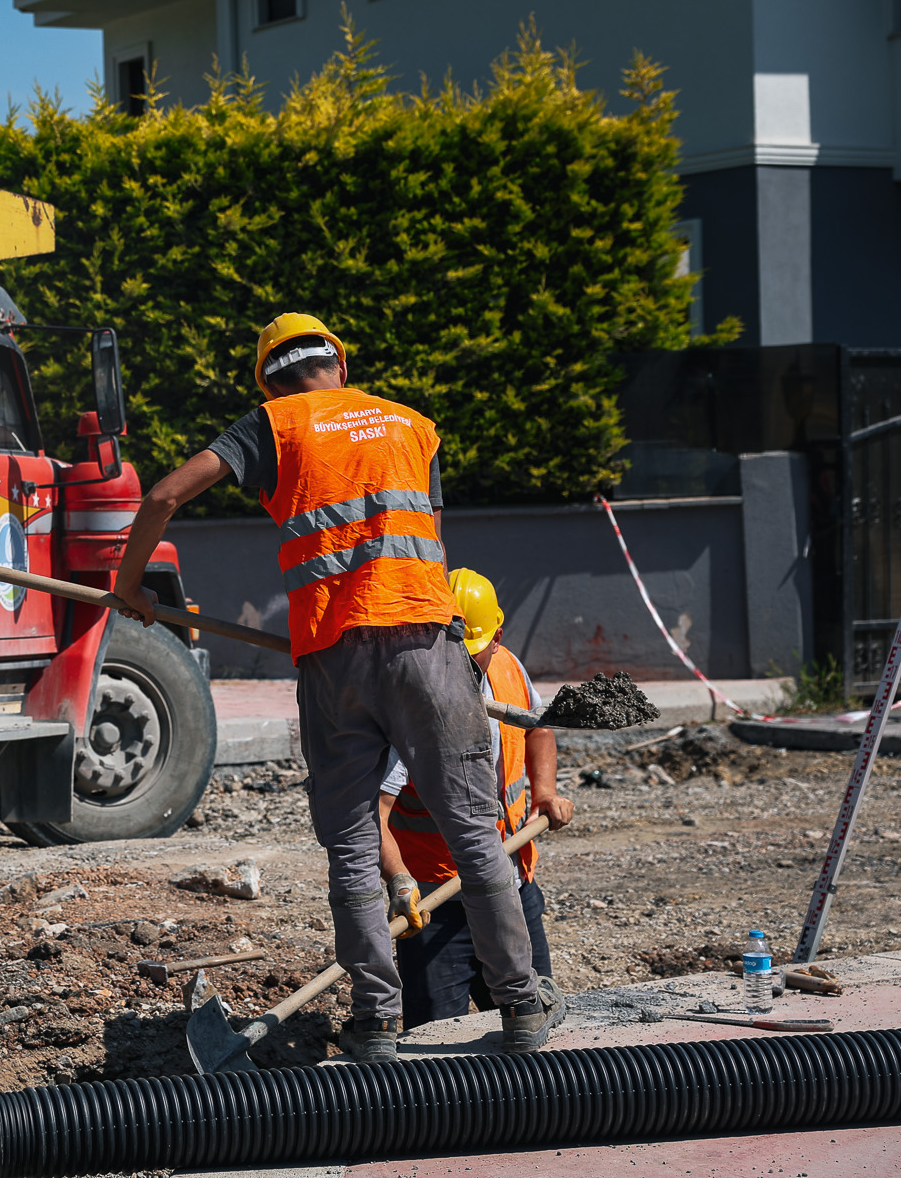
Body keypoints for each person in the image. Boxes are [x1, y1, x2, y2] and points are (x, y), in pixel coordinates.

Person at [112, 312, 565, 1061]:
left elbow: (162, 496)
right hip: (427, 641)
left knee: (353, 846)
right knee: (474, 829)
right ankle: (521, 1003)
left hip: (334, 657)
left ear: (269, 379)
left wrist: (132, 587)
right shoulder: (414, 427)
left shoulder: (276, 425)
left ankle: (377, 1021)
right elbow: (431, 543)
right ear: (339, 364)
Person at [377, 568, 574, 1029]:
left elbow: (538, 727)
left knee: (535, 1023)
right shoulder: (412, 707)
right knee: (435, 1042)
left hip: (512, 887)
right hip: (437, 902)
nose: (456, 669)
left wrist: (544, 791)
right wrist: (399, 879)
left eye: (468, 654)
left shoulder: (509, 670)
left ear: (497, 637)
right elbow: (373, 816)